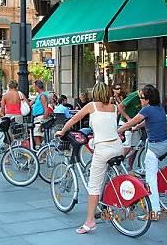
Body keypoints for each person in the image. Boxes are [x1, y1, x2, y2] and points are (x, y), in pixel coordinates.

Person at [56, 81, 124, 234]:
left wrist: (62, 132)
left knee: (94, 187)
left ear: (95, 93)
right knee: (108, 173)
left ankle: (90, 221)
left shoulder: (91, 106)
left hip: (104, 149)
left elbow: (73, 120)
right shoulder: (114, 107)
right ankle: (108, 202)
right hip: (118, 146)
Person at [118, 85, 167, 217]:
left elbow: (128, 123)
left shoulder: (146, 109)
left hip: (155, 147)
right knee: (151, 168)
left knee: (150, 180)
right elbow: (148, 120)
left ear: (147, 100)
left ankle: (154, 211)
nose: (140, 100)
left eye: (141, 98)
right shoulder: (159, 107)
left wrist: (117, 131)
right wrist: (138, 126)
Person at [117, 89, 142, 170]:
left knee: (135, 147)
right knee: (127, 147)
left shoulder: (145, 99)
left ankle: (130, 168)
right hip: (125, 123)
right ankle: (117, 165)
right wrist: (128, 118)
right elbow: (120, 106)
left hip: (135, 124)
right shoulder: (133, 96)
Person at [30, 80, 49, 148]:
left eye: (34, 86)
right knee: (39, 135)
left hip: (40, 117)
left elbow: (46, 109)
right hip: (38, 117)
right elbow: (30, 104)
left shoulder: (42, 96)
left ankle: (39, 149)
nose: (34, 88)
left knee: (36, 135)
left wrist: (43, 121)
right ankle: (41, 152)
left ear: (37, 86)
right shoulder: (40, 95)